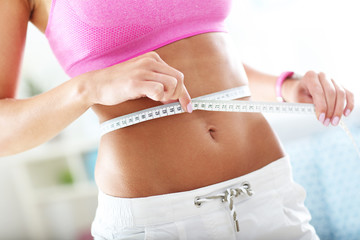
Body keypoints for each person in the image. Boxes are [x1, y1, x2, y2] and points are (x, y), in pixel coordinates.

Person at [0, 0, 354, 239]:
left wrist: (284, 86)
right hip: (156, 219)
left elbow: (203, 51)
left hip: (267, 194)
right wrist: (87, 88)